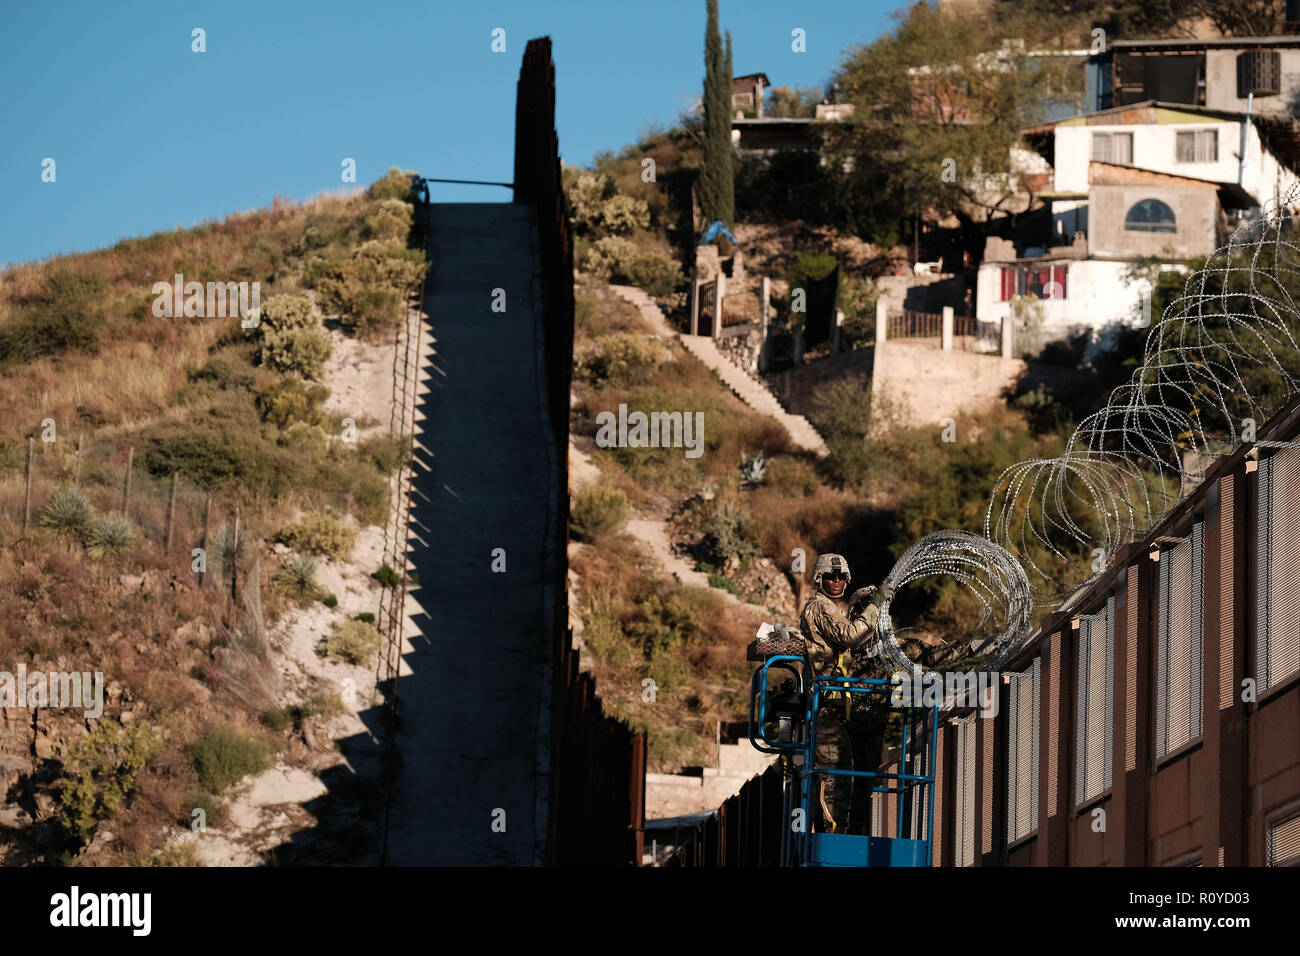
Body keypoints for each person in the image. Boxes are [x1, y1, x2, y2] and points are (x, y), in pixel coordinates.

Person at [799, 553, 890, 834]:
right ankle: (830, 844)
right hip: (825, 707)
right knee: (834, 782)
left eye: (841, 577)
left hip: (836, 707)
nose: (837, 581)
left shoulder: (831, 608)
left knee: (842, 779)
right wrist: (874, 606)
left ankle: (838, 839)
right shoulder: (819, 606)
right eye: (830, 576)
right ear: (819, 579)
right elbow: (851, 635)